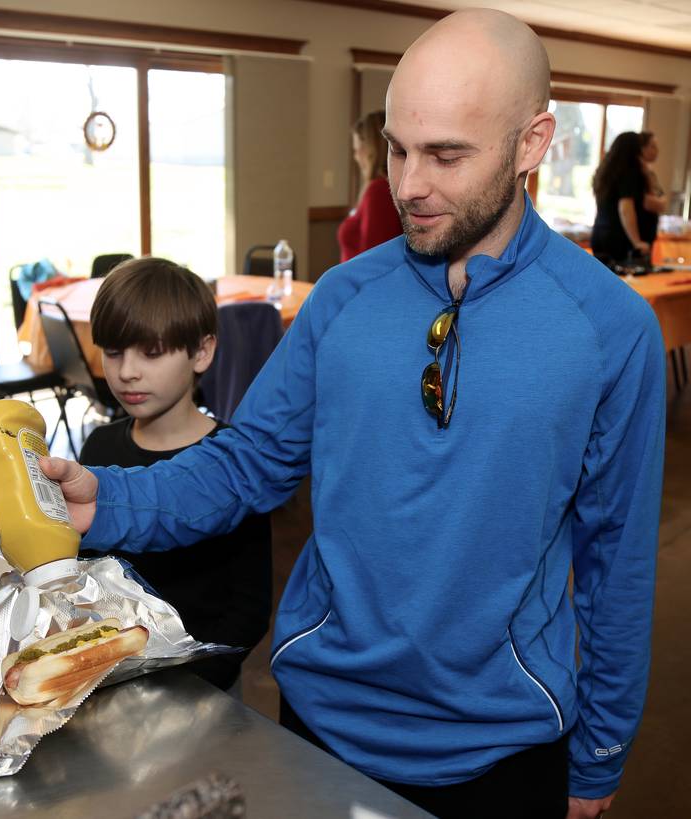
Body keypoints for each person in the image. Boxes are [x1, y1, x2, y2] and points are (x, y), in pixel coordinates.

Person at [38, 10, 664, 819]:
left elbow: (617, 564)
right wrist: (111, 499)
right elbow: (247, 461)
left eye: (445, 154)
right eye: (399, 148)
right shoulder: (342, 298)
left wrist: (602, 749)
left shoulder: (611, 331)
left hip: (502, 749)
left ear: (533, 143)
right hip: (319, 723)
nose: (407, 184)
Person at [77, 257, 273, 693]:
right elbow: (83, 576)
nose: (127, 371)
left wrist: (195, 689)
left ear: (201, 352)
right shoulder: (98, 449)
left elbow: (249, 608)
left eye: (151, 352)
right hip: (111, 679)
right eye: (113, 351)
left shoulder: (231, 465)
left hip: (205, 687)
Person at [591, 130, 667, 267]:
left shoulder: (605, 172)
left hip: (601, 235)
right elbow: (625, 208)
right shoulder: (629, 172)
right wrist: (637, 242)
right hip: (620, 242)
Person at [337, 109, 402, 261]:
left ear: (371, 149)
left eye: (358, 150)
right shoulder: (378, 188)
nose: (356, 157)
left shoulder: (378, 191)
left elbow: (374, 256)